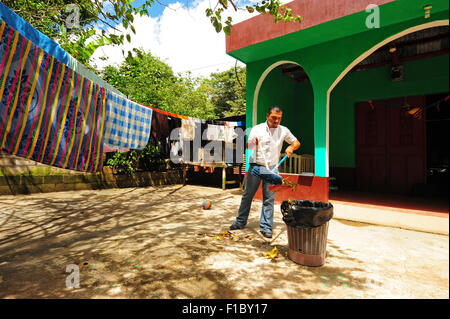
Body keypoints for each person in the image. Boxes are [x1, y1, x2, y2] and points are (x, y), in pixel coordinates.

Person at [230, 106, 301, 238]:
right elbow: (248, 146)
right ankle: (240, 222)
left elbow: (296, 142)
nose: (276, 121)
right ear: (267, 115)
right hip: (256, 167)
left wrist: (291, 147)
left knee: (269, 199)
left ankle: (266, 227)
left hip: (272, 169)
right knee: (247, 196)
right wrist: (252, 142)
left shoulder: (283, 130)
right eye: (274, 117)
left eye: (279, 118)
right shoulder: (257, 129)